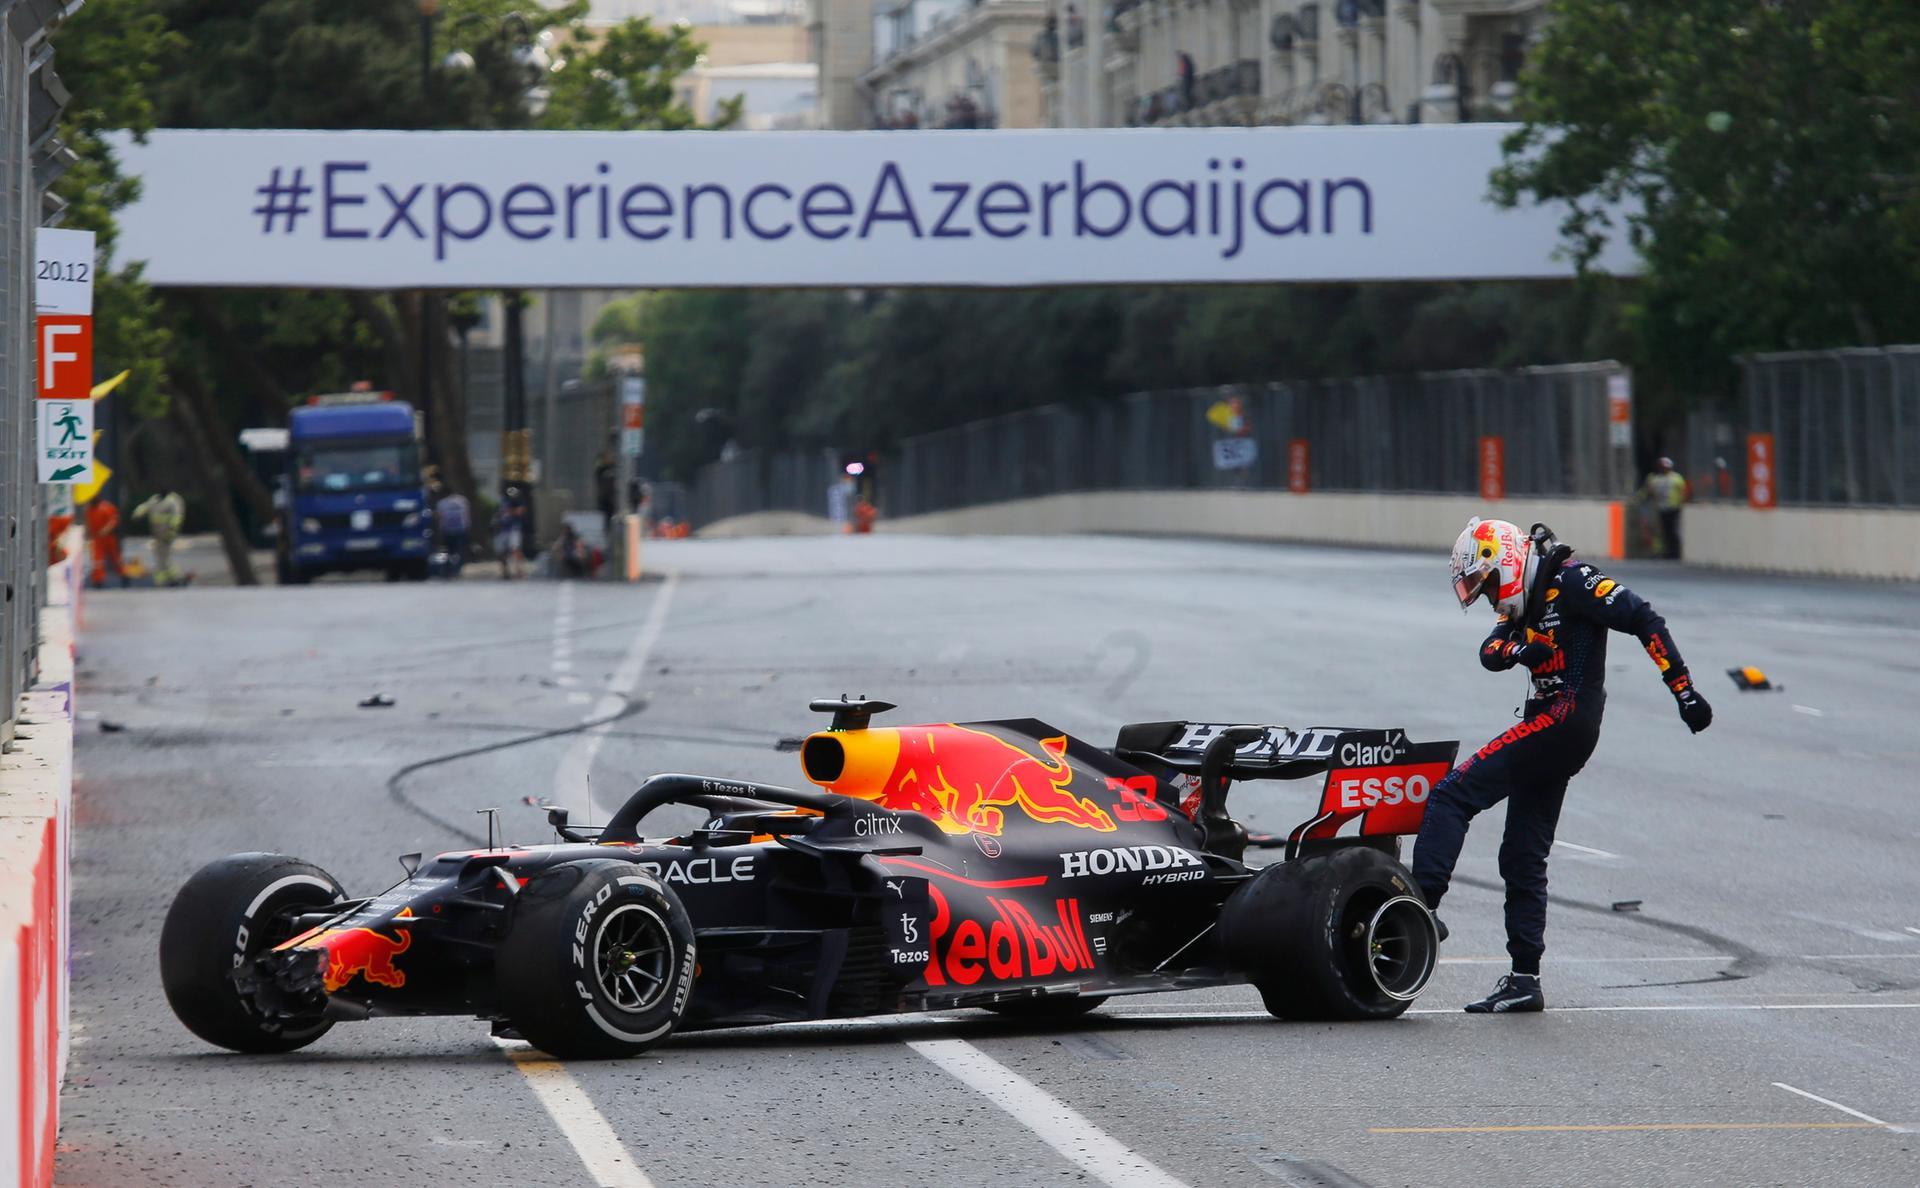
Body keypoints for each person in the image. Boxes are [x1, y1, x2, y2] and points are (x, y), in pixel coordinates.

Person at [1415, 517, 1712, 1013]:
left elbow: (1644, 617)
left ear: (1504, 560)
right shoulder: (1526, 596)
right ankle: (1524, 979)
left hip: (1564, 720)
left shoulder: (1573, 580)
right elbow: (1489, 651)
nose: (1489, 597)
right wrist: (1517, 648)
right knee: (1522, 855)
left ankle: (1419, 911)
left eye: (1487, 584)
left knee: (1451, 794)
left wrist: (1682, 690)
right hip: (1554, 727)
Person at [132, 491, 187, 586]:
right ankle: (168, 578)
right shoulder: (155, 499)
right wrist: (137, 513)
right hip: (157, 534)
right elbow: (146, 506)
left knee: (164, 557)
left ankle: (174, 577)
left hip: (166, 533)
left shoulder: (173, 500)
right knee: (160, 556)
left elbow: (177, 516)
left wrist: (171, 532)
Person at [1641, 457, 1689, 559]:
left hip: (1674, 508)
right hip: (1660, 508)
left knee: (1673, 531)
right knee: (1662, 531)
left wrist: (1682, 503)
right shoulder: (1655, 478)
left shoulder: (1676, 478)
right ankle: (1663, 552)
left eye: (1666, 467)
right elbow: (1649, 491)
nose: (1664, 469)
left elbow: (1683, 491)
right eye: (1662, 467)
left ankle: (1675, 552)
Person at [84, 495, 126, 588]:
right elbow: (88, 523)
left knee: (115, 558)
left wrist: (106, 530)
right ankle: (98, 580)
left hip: (109, 538)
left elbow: (114, 520)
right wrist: (87, 534)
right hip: (97, 538)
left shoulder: (107, 507)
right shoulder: (89, 510)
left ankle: (123, 575)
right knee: (97, 560)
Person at [493, 487, 527, 580]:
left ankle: (519, 570)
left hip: (514, 528)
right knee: (502, 551)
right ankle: (505, 571)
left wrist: (509, 511)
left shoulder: (518, 501)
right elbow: (500, 514)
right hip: (503, 529)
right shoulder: (503, 501)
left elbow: (520, 511)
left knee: (515, 549)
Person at [435, 487, 471, 575]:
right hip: (460, 529)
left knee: (449, 551)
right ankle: (457, 569)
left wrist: (440, 529)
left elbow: (439, 517)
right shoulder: (462, 500)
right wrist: (468, 527)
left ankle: (448, 569)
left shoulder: (441, 503)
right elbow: (466, 515)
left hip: (447, 530)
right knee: (460, 550)